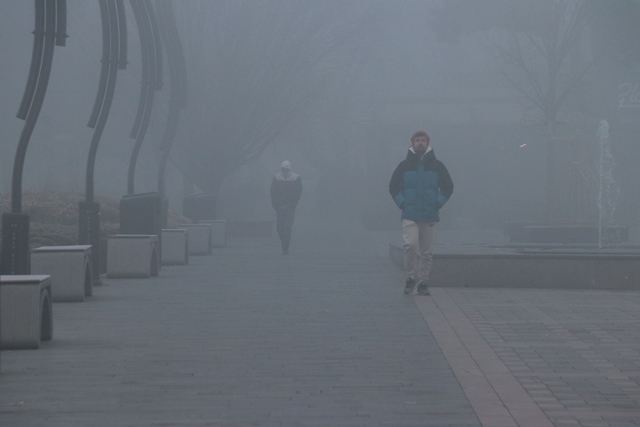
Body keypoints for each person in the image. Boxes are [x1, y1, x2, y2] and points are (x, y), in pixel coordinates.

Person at [389, 130, 453, 295]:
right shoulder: (403, 166)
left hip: (429, 215)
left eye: (422, 140)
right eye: (417, 140)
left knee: (426, 252)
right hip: (410, 214)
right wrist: (402, 203)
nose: (420, 142)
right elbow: (393, 187)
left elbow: (448, 187)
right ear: (412, 143)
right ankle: (410, 278)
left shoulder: (437, 166)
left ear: (427, 143)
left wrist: (437, 203)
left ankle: (423, 282)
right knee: (410, 245)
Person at [270, 160, 302, 254]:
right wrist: (275, 204)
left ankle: (285, 246)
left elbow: (298, 193)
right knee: (279, 228)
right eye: (283, 169)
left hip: (290, 207)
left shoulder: (296, 178)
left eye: (286, 169)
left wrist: (293, 204)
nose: (284, 171)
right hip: (279, 207)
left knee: (287, 226)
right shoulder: (276, 177)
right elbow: (273, 192)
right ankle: (284, 242)